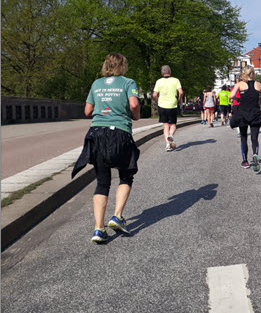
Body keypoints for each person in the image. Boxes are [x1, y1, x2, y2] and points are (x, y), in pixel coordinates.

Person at [72, 53, 141, 243]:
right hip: (119, 133)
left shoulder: (96, 84)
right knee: (126, 175)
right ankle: (117, 216)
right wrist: (135, 114)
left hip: (96, 134)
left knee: (102, 181)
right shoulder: (128, 82)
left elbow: (87, 110)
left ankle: (98, 229)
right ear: (123, 66)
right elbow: (134, 104)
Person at [230, 66, 261, 171]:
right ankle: (255, 154)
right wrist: (257, 99)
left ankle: (245, 160)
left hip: (242, 113)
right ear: (252, 74)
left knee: (243, 137)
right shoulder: (258, 84)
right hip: (255, 113)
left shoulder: (239, 84)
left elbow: (231, 96)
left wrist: (239, 99)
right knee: (254, 138)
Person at [153, 65, 183, 152]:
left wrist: (158, 100)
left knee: (165, 125)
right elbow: (181, 92)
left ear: (162, 73)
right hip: (172, 105)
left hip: (162, 105)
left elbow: (154, 95)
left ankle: (168, 145)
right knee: (173, 124)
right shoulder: (176, 80)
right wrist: (179, 99)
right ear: (170, 72)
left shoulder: (159, 81)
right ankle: (171, 135)